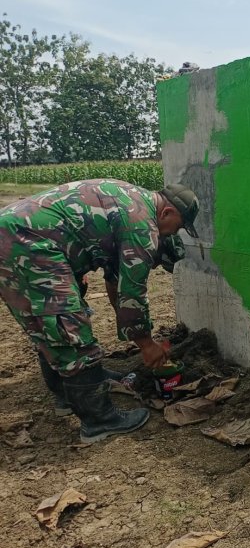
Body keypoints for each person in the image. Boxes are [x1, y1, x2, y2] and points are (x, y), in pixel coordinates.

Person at [0, 179, 200, 443]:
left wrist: (133, 329)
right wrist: (147, 345)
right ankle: (99, 420)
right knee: (67, 326)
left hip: (20, 234)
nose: (173, 233)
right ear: (168, 213)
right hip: (27, 242)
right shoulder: (143, 226)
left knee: (49, 323)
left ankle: (66, 395)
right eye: (178, 227)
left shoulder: (132, 199)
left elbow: (115, 283)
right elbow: (132, 293)